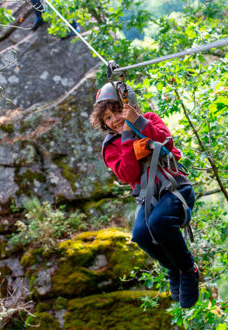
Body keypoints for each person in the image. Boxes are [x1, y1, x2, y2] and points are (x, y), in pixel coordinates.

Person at [89, 82, 199, 308]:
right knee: (140, 234)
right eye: (108, 118)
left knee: (159, 223)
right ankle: (173, 267)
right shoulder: (111, 146)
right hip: (149, 199)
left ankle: (189, 269)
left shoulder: (148, 119)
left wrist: (139, 122)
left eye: (117, 111)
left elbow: (167, 141)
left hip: (176, 189)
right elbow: (128, 174)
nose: (115, 120)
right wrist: (129, 138)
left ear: (128, 107)